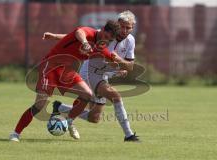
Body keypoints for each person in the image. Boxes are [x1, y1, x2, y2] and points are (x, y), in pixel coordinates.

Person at [9, 20, 133, 142]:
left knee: (87, 94)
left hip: (67, 71)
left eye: (109, 40)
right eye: (106, 36)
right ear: (103, 30)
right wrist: (85, 43)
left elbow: (113, 59)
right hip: (51, 66)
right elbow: (79, 32)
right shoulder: (89, 32)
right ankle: (15, 133)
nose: (106, 40)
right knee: (39, 105)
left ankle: (68, 121)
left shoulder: (101, 46)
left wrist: (122, 67)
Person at [43, 11, 140, 142]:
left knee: (94, 118)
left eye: (128, 27)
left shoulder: (130, 41)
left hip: (102, 75)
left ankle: (60, 108)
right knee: (115, 96)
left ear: (132, 27)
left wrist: (121, 66)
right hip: (90, 71)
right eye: (122, 26)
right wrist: (55, 37)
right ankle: (129, 135)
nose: (124, 30)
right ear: (118, 24)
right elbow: (76, 36)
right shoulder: (107, 34)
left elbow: (129, 65)